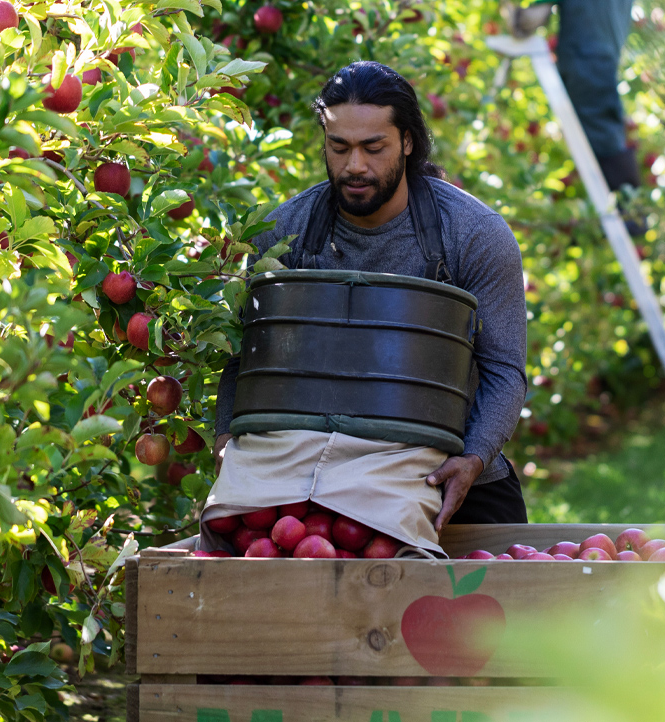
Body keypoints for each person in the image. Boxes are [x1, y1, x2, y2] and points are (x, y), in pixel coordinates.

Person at [212, 61, 529, 530]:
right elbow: (245, 357)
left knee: (503, 595)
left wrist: (476, 457)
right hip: (308, 477)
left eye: (373, 147)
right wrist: (224, 436)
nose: (354, 165)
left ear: (407, 142)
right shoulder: (283, 236)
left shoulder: (473, 235)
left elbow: (505, 369)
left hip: (441, 473)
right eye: (339, 147)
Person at [556, 0, 642, 190]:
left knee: (606, 144)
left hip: (585, 61)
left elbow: (528, 20)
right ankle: (630, 210)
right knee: (608, 137)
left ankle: (628, 213)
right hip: (602, 60)